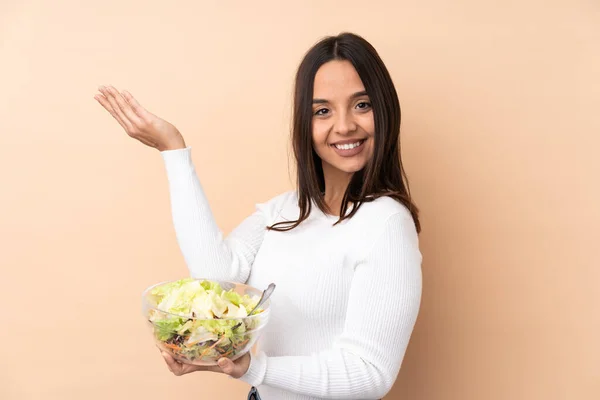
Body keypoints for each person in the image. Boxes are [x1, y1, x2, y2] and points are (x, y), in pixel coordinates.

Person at [95, 32, 423, 400]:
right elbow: (215, 276)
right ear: (304, 122)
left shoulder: (386, 224)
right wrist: (173, 149)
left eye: (362, 105)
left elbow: (370, 372)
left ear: (385, 109)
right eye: (323, 110)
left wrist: (254, 368)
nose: (345, 125)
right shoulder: (283, 211)